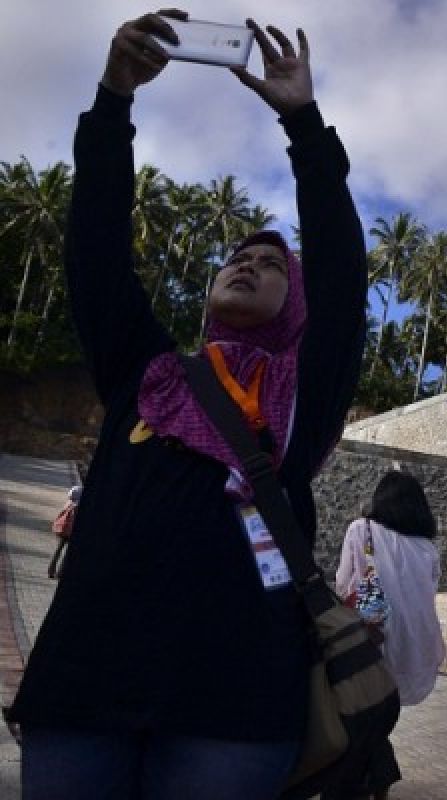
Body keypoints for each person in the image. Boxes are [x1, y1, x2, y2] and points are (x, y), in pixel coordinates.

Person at [9, 10, 367, 799]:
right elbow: (95, 248)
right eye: (237, 256)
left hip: (232, 709)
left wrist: (304, 123)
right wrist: (113, 99)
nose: (248, 264)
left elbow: (343, 278)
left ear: (295, 301)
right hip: (85, 685)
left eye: (272, 262)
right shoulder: (150, 371)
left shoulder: (304, 397)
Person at [331, 471, 446, 800]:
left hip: (371, 638)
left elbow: (343, 583)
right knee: (378, 714)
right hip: (413, 644)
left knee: (358, 712)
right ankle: (377, 780)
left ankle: (373, 779)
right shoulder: (427, 548)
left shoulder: (361, 530)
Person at [47, 485, 82, 579]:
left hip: (63, 530)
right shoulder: (77, 506)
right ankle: (60, 573)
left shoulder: (68, 503)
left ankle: (51, 570)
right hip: (70, 532)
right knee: (67, 554)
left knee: (58, 550)